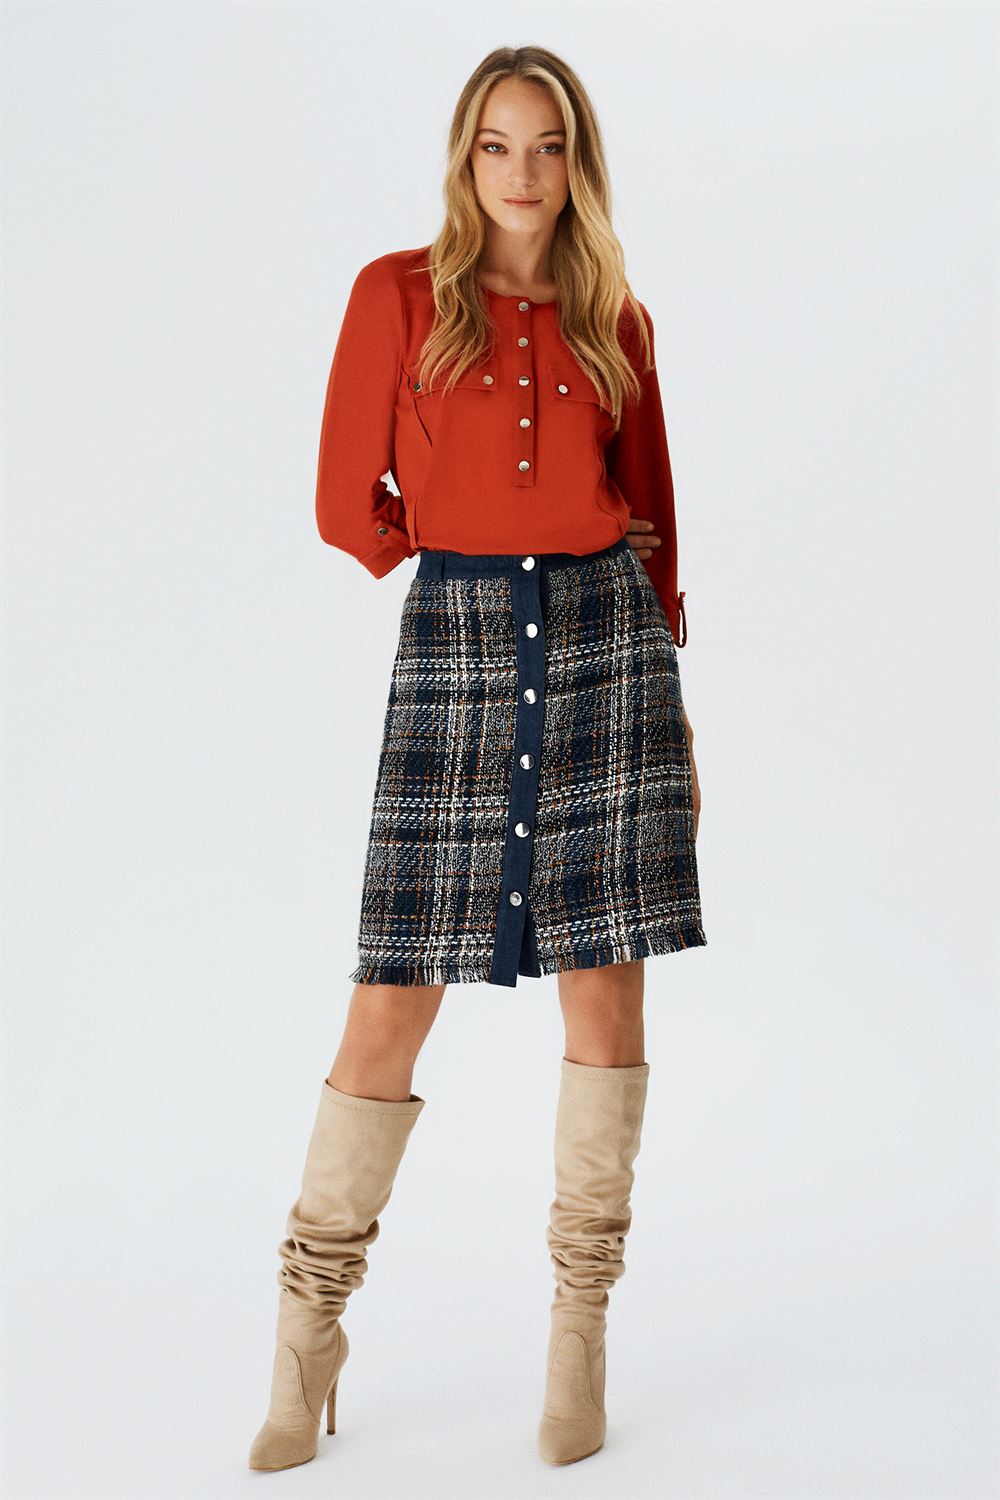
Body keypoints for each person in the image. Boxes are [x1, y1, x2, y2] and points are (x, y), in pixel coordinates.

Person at [249, 43, 707, 1473]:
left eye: (548, 146)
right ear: (465, 157)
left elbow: (654, 518)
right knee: (392, 995)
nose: (523, 172)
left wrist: (677, 711)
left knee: (606, 995)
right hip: (456, 644)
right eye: (498, 145)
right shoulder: (398, 295)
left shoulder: (615, 315)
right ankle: (306, 1334)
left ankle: (580, 1335)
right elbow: (347, 503)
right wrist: (447, 553)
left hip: (608, 654)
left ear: (578, 163)